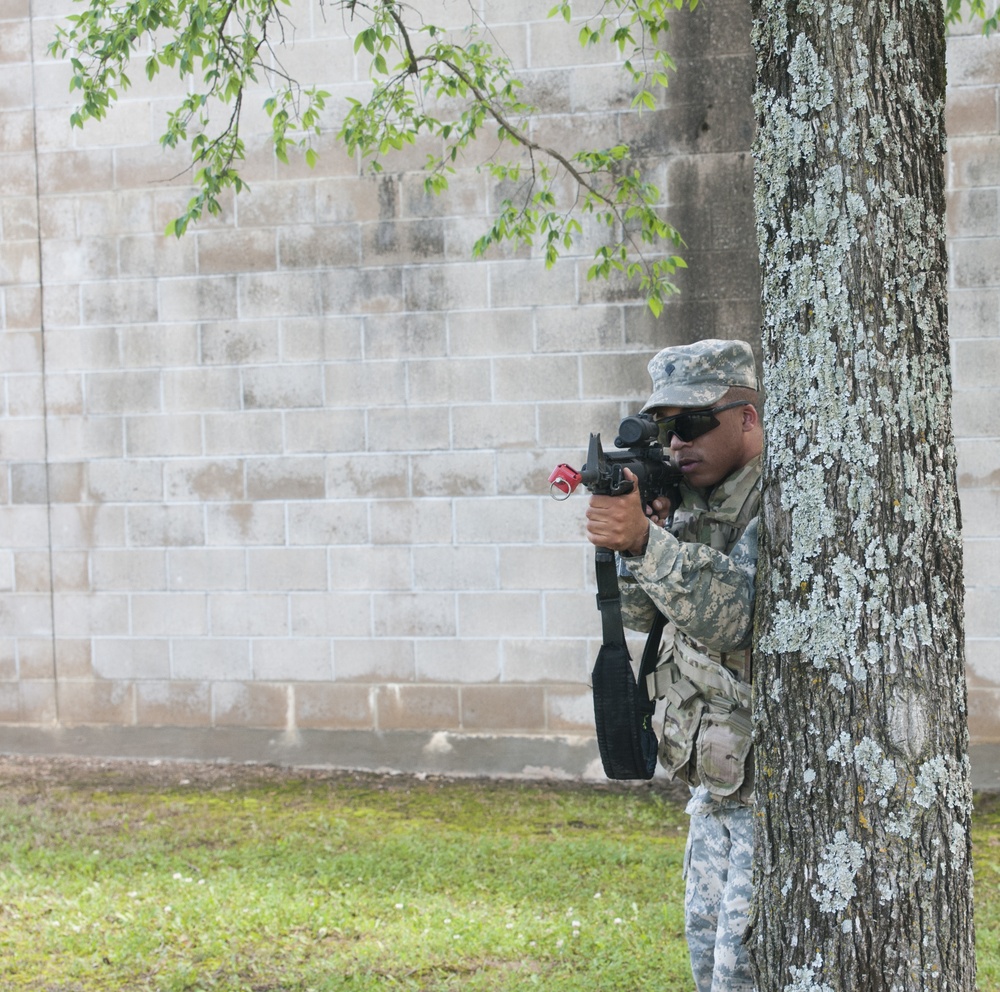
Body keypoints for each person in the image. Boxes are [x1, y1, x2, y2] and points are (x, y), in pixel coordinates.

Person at [585, 338, 763, 992]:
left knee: (744, 975)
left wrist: (646, 543)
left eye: (692, 423)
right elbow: (641, 615)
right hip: (714, 790)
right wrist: (642, 540)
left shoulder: (777, 501)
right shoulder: (694, 508)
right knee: (708, 967)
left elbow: (736, 614)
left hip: (770, 797)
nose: (677, 442)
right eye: (666, 428)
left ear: (747, 417)